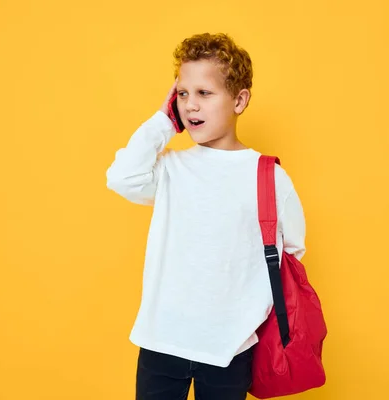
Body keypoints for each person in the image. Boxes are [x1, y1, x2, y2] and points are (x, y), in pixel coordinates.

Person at [106, 32, 306, 400]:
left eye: (204, 93)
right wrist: (164, 122)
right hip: (162, 339)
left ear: (239, 99)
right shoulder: (172, 169)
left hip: (229, 347)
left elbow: (291, 252)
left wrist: (249, 315)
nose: (190, 106)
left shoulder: (268, 177)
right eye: (182, 94)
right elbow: (121, 178)